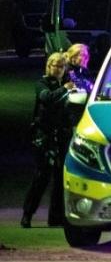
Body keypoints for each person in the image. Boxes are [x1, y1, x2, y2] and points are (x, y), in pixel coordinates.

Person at [22, 53, 76, 228]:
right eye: (55, 65)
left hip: (62, 136)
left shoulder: (68, 84)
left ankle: (56, 217)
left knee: (61, 178)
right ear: (49, 66)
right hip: (44, 136)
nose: (58, 69)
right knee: (41, 176)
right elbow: (48, 98)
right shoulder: (42, 84)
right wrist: (65, 89)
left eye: (61, 66)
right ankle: (27, 214)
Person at [64, 43, 93, 126]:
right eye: (83, 55)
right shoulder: (67, 69)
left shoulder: (83, 70)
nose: (86, 58)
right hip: (70, 109)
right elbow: (77, 83)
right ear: (73, 56)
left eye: (86, 55)